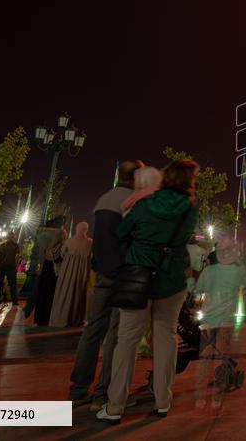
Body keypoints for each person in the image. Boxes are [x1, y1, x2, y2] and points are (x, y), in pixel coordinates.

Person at [97, 159, 199, 424]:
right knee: (166, 337)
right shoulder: (189, 210)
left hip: (137, 279)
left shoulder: (144, 204)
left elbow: (122, 231)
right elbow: (183, 238)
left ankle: (115, 405)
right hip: (171, 281)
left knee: (127, 341)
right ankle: (163, 401)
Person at [68, 159, 144, 408]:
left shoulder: (104, 200)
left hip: (102, 274)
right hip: (123, 276)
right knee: (116, 336)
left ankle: (78, 388)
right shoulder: (134, 203)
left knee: (92, 332)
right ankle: (103, 393)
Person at [195, 237, 246, 401]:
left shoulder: (208, 272)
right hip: (225, 319)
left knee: (207, 352)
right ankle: (220, 382)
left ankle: (204, 389)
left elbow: (199, 291)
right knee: (222, 350)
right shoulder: (235, 272)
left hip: (208, 318)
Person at [50, 221, 92, 327]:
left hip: (67, 271)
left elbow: (63, 254)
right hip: (81, 273)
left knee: (65, 292)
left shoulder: (69, 241)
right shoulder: (90, 243)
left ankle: (61, 318)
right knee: (78, 295)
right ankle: (75, 318)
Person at [33, 216, 67, 326]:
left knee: (40, 294)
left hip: (44, 271)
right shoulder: (61, 249)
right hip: (54, 274)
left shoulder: (47, 248)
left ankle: (38, 318)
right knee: (50, 295)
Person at [0, 233, 21, 306]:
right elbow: (17, 257)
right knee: (12, 284)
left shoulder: (1, 245)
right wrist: (16, 265)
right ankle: (14, 301)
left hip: (2, 267)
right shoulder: (16, 246)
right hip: (11, 267)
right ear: (12, 237)